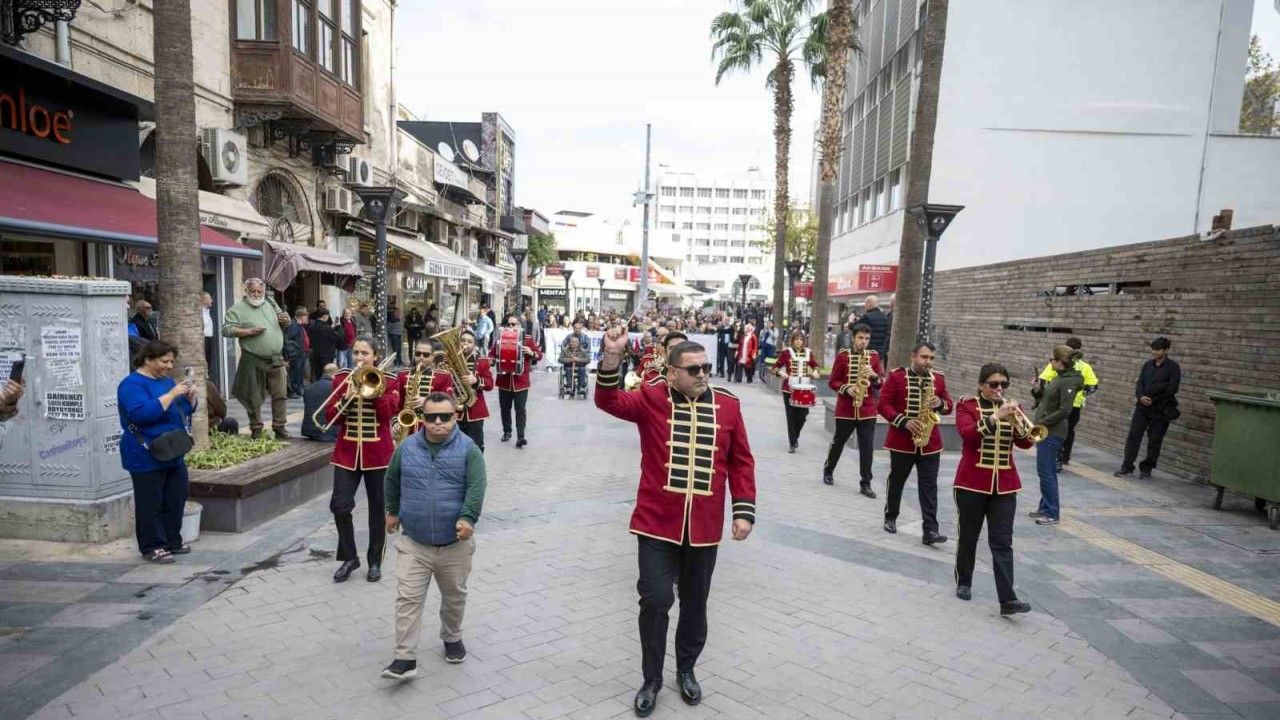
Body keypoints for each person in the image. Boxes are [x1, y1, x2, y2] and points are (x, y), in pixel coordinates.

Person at [595, 329, 756, 717]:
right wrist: (612, 358)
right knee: (655, 600)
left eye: (706, 368)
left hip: (703, 528)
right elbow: (608, 400)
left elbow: (740, 461)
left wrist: (743, 510)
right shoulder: (652, 398)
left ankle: (686, 669)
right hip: (655, 524)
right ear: (671, 373)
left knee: (695, 604)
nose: (703, 375)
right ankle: (651, 678)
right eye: (694, 369)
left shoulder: (729, 405)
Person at [380, 392, 486, 679]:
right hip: (414, 541)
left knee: (454, 597)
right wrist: (392, 511)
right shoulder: (407, 447)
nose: (438, 422)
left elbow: (476, 487)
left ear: (456, 417)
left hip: (454, 544)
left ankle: (452, 637)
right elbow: (392, 479)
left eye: (445, 416)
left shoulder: (469, 449)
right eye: (431, 417)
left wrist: (467, 518)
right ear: (422, 418)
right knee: (407, 599)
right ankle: (404, 658)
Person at [952, 363, 1034, 615]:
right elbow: (968, 435)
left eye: (1004, 384)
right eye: (994, 384)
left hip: (1005, 485)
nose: (999, 388)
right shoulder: (967, 406)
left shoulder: (1014, 407)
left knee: (1002, 541)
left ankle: (1008, 599)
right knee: (969, 536)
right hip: (971, 482)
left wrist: (1021, 427)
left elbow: (1026, 443)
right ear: (981, 385)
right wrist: (995, 417)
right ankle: (964, 581)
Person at [322, 337, 401, 583]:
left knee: (378, 510)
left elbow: (388, 414)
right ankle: (349, 558)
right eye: (356, 352)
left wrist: (373, 392)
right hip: (347, 453)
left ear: (375, 356)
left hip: (378, 455)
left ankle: (375, 561)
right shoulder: (341, 378)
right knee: (340, 505)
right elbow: (330, 417)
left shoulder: (390, 380)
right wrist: (345, 399)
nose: (359, 357)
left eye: (364, 353)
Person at [117, 341, 197, 564]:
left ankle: (172, 540)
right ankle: (152, 546)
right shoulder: (131, 384)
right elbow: (142, 414)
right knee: (150, 502)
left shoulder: (166, 381)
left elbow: (181, 411)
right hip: (145, 453)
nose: (169, 366)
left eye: (171, 361)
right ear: (148, 359)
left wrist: (190, 398)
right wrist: (171, 394)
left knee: (175, 497)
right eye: (164, 361)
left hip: (173, 450)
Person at [878, 342, 954, 545]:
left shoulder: (938, 379)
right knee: (897, 480)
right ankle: (890, 517)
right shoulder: (896, 376)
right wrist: (903, 421)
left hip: (929, 443)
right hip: (902, 441)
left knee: (929, 486)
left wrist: (941, 403)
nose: (928, 362)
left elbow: (949, 406)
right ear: (913, 356)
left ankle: (930, 530)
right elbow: (883, 405)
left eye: (931, 358)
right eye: (924, 357)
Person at [222, 279, 290, 439]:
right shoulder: (237, 308)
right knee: (253, 396)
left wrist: (285, 320)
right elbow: (226, 330)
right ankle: (256, 428)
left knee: (280, 394)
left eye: (260, 291)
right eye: (253, 291)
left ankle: (279, 426)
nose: (256, 294)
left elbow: (284, 323)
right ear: (246, 291)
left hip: (275, 358)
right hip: (252, 359)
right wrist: (249, 331)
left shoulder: (271, 303)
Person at [824, 324, 884, 493]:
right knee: (839, 442)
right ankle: (828, 470)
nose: (863, 342)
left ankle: (866, 483)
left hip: (867, 409)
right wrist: (846, 388)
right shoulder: (843, 356)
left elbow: (880, 383)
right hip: (846, 409)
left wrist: (874, 376)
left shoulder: (874, 357)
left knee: (867, 447)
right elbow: (833, 381)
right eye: (860, 338)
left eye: (867, 339)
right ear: (853, 338)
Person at [1028, 345, 1084, 526]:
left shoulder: (1068, 381)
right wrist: (1037, 389)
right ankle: (1044, 508)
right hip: (1046, 430)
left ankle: (1052, 513)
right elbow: (1045, 400)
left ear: (1061, 362)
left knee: (1047, 472)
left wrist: (1042, 421)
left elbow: (1065, 410)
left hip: (1052, 432)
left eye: (1052, 359)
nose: (1050, 362)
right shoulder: (1060, 378)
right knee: (1045, 471)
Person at [1116, 337, 1181, 480]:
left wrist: (1153, 399)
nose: (1154, 352)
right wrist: (1140, 397)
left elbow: (1172, 388)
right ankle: (1127, 466)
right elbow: (1140, 384)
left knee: (1155, 440)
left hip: (1161, 409)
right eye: (1153, 349)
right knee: (1133, 436)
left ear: (1166, 350)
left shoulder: (1173, 367)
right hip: (1142, 408)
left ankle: (1147, 468)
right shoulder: (1147, 365)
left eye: (1157, 350)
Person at [1036, 337, 1098, 469]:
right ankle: (1065, 458)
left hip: (1057, 406)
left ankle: (1056, 458)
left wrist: (1046, 395)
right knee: (1069, 431)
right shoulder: (1085, 366)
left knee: (1055, 430)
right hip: (1076, 406)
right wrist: (1081, 394)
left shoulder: (1058, 362)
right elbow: (1093, 386)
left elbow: (1044, 381)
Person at [490, 314, 541, 448]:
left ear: (520, 325)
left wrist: (531, 353)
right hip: (504, 380)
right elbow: (492, 353)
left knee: (520, 409)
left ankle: (521, 436)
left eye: (514, 324)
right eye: (508, 324)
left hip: (520, 382)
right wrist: (491, 360)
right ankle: (507, 431)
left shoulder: (527, 339)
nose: (510, 326)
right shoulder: (500, 338)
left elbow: (539, 355)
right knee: (505, 408)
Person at [396, 340, 457, 435]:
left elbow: (449, 401)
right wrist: (395, 422)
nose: (421, 357)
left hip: (432, 426)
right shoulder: (402, 375)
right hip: (406, 426)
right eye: (418, 354)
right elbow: (397, 404)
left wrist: (428, 400)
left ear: (432, 357)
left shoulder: (444, 376)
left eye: (426, 355)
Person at [774, 329, 819, 453]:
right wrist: (781, 373)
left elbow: (815, 365)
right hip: (789, 389)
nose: (799, 341)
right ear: (792, 340)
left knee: (803, 416)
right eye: (796, 339)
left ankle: (795, 435)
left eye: (801, 339)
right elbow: (775, 367)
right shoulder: (787, 352)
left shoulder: (809, 352)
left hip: (804, 389)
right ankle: (792, 443)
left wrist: (815, 372)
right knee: (791, 416)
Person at [456, 329, 493, 451]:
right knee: (456, 448)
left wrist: (475, 381)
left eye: (469, 341)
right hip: (455, 412)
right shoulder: (451, 361)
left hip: (475, 412)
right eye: (462, 340)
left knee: (476, 447)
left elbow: (490, 384)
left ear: (474, 345)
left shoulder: (482, 362)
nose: (465, 344)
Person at [301, 364, 341, 442]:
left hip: (309, 430)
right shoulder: (337, 388)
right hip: (328, 432)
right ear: (336, 373)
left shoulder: (308, 388)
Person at [307, 308, 341, 381]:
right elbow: (337, 337)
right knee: (327, 375)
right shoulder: (327, 327)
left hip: (315, 353)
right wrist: (338, 327)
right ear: (325, 316)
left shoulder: (312, 326)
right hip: (326, 355)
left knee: (318, 374)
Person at [284, 307, 310, 399]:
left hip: (302, 354)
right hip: (296, 355)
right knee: (294, 373)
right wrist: (292, 355)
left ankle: (299, 389)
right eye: (306, 316)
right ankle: (293, 391)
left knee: (299, 373)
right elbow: (289, 341)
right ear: (301, 316)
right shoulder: (293, 325)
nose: (307, 318)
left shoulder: (300, 325)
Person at [859, 295, 890, 360]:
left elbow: (856, 327)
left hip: (868, 351)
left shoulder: (866, 317)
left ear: (869, 303)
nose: (864, 306)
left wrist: (850, 324)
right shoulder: (885, 317)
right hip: (880, 352)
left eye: (865, 303)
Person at [201, 292, 215, 371]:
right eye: (209, 298)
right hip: (204, 339)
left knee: (208, 363)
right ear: (203, 300)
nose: (211, 300)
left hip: (209, 339)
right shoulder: (200, 313)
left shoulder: (207, 312)